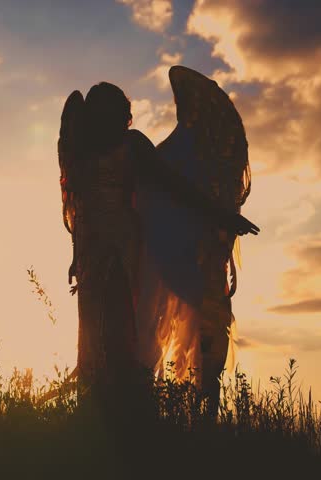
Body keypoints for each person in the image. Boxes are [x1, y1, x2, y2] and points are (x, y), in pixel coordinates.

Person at [57, 82, 257, 402]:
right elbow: (78, 206)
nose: (108, 118)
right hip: (91, 250)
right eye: (101, 111)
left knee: (122, 326)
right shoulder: (82, 150)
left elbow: (173, 184)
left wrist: (221, 215)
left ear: (123, 116)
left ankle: (129, 404)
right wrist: (75, 255)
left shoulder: (132, 145)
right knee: (92, 333)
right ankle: (96, 406)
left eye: (114, 111)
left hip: (124, 245)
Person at [135, 65, 254, 413]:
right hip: (184, 255)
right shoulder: (179, 151)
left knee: (205, 339)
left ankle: (198, 419)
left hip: (195, 257)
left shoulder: (187, 152)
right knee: (200, 337)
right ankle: (190, 419)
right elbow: (166, 187)